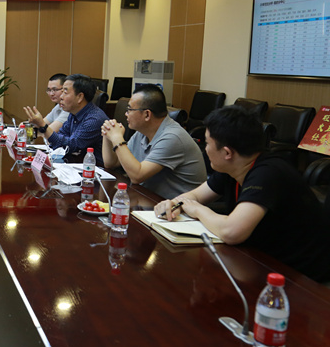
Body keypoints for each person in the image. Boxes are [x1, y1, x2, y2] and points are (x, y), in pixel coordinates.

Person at [154, 105, 330, 283]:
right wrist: (174, 204)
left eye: (207, 143)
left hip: (301, 278)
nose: (205, 149)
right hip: (259, 260)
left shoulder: (268, 173)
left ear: (227, 152)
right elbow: (196, 196)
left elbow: (231, 232)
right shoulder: (233, 166)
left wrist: (197, 210)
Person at [101, 84, 206, 198]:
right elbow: (112, 163)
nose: (126, 114)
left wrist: (117, 138)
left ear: (147, 114)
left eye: (130, 109)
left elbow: (137, 176)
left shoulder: (172, 137)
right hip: (148, 197)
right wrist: (108, 134)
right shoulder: (143, 132)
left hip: (177, 206)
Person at [27, 74, 108, 164]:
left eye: (65, 93)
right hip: (75, 163)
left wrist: (43, 125)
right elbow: (61, 137)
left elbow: (71, 146)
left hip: (95, 169)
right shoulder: (73, 113)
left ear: (80, 97)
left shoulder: (94, 119)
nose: (61, 97)